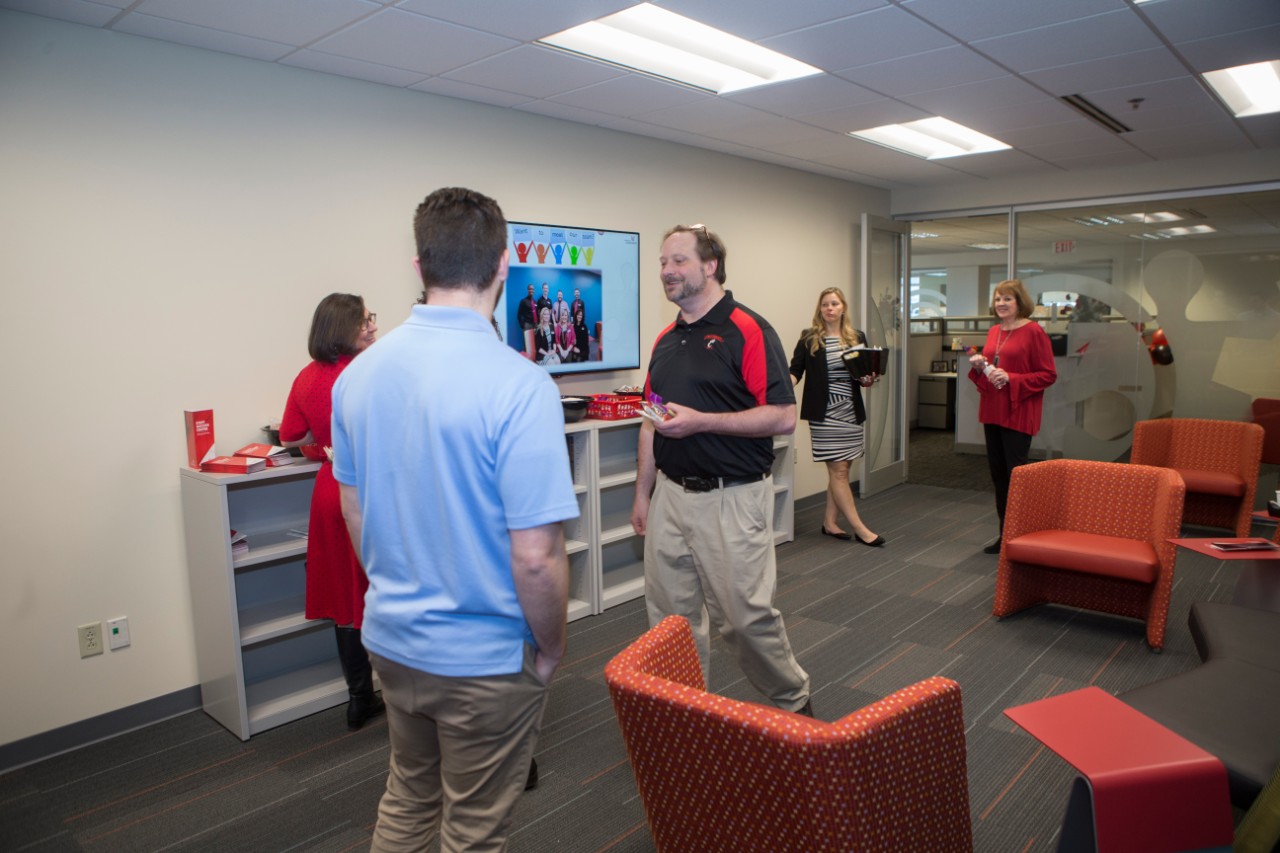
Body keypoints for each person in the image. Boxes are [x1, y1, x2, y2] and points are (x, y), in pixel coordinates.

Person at [332, 187, 576, 851]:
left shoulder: (356, 376)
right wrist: (551, 647)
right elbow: (535, 555)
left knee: (408, 797)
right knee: (472, 828)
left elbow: (355, 509)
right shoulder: (521, 385)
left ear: (419, 265)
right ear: (503, 266)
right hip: (483, 658)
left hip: (392, 639)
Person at [630, 224, 812, 717]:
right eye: (663, 262)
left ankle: (795, 706)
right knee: (670, 621)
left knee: (744, 621)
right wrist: (643, 494)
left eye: (679, 261)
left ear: (710, 266)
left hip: (731, 498)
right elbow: (652, 421)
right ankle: (686, 716)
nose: (667, 270)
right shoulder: (666, 340)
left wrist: (702, 423)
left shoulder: (748, 329)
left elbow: (783, 415)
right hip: (670, 497)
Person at [279, 293, 383, 731]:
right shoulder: (368, 372)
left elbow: (289, 435)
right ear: (345, 329)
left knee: (346, 599)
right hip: (370, 491)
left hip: (329, 493)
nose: (373, 327)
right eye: (365, 321)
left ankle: (359, 699)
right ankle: (406, 695)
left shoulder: (305, 378)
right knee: (383, 593)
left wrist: (322, 449)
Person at [789, 287, 885, 547]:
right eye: (825, 305)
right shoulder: (810, 338)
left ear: (843, 308)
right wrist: (782, 386)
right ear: (820, 310)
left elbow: (864, 375)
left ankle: (830, 523)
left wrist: (868, 379)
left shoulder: (856, 337)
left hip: (850, 409)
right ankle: (861, 529)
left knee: (843, 468)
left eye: (834, 304)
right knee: (839, 471)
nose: (829, 309)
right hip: (825, 411)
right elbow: (795, 370)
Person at [968, 279, 1058, 554]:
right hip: (993, 409)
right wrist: (979, 366)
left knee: (1016, 476)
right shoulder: (995, 330)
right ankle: (1005, 534)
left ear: (1020, 302)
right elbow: (993, 368)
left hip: (1018, 411)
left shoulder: (1033, 332)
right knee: (998, 476)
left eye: (1007, 298)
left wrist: (1012, 377)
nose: (1001, 304)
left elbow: (1048, 374)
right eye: (997, 299)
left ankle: (1022, 534)